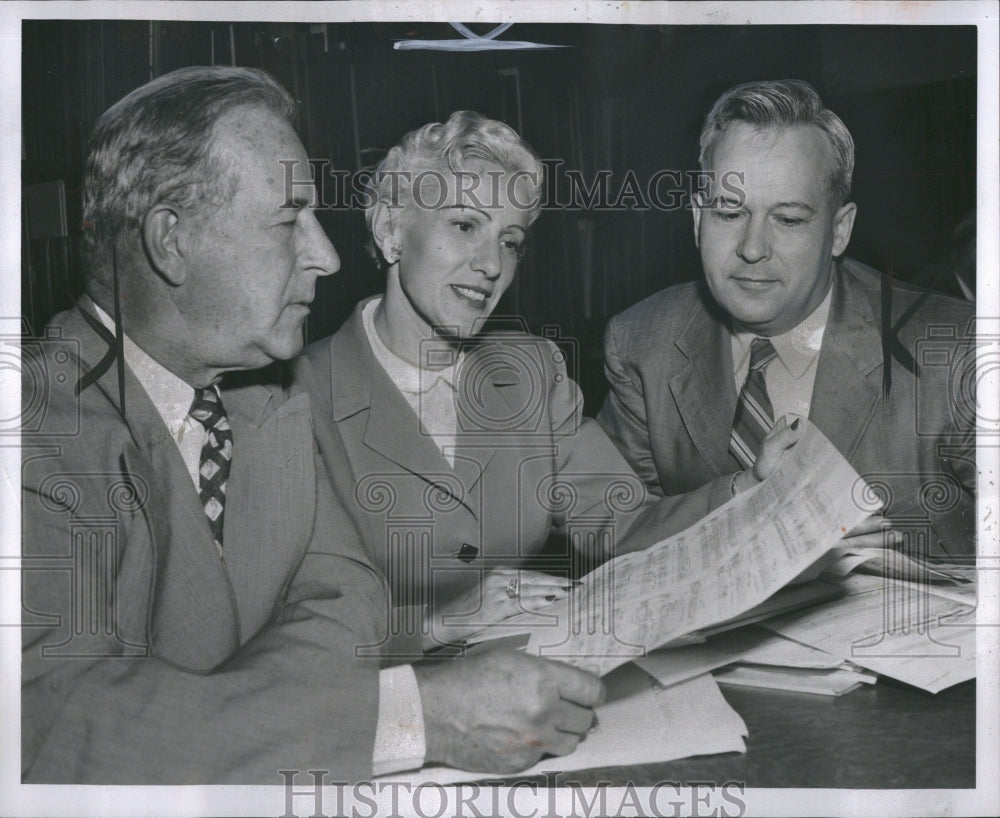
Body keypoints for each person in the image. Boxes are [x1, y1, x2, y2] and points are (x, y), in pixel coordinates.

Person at [20, 66, 604, 784]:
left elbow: (343, 600)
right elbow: (51, 730)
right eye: (287, 221)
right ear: (170, 241)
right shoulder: (31, 427)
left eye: (510, 240)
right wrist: (414, 718)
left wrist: (216, 720)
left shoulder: (265, 398)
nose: (327, 256)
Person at [294, 111, 800, 652]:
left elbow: (626, 524)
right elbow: (284, 625)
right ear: (391, 230)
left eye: (510, 241)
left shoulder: (532, 373)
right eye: (465, 225)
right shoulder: (296, 397)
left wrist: (749, 488)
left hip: (523, 673)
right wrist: (436, 625)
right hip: (373, 697)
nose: (491, 264)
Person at [597, 79, 976, 558]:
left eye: (789, 219)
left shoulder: (957, 349)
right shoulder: (641, 342)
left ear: (840, 231)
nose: (753, 249)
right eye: (730, 213)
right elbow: (617, 539)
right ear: (697, 220)